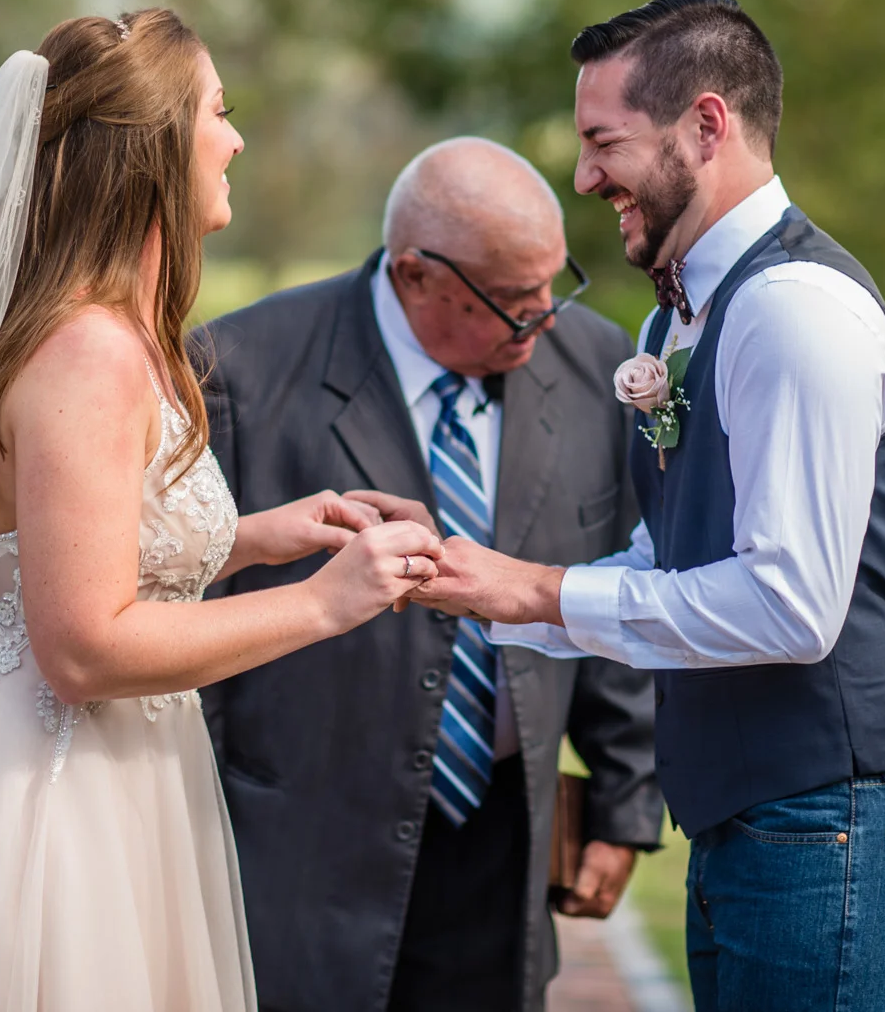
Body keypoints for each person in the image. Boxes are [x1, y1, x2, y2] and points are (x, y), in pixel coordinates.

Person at [0, 10, 443, 1012]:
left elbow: (77, 549)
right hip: (38, 787)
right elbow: (83, 646)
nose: (236, 140)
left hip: (113, 763)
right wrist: (327, 600)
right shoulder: (88, 353)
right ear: (153, 147)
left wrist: (252, 539)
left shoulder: (114, 334)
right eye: (218, 112)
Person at [411, 0, 885, 1012]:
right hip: (763, 818)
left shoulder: (792, 309)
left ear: (705, 125)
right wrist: (475, 581)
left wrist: (537, 591)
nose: (584, 178)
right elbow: (674, 556)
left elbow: (790, 606)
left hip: (833, 815)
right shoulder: (679, 319)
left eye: (602, 142)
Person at [196, 138, 664, 1012]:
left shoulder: (595, 368)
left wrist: (623, 800)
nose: (545, 321)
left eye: (554, 286)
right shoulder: (242, 372)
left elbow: (611, 581)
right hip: (298, 853)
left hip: (501, 844)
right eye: (515, 303)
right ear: (415, 273)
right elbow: (189, 616)